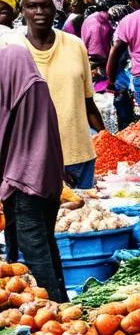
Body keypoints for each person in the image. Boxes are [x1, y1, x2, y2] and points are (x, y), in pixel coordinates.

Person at [0, 41, 68, 302]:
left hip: (21, 181)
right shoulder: (37, 86)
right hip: (46, 180)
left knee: (34, 249)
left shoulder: (15, 91)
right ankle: (61, 300)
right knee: (46, 243)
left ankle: (51, 306)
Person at [19, 0, 103, 190]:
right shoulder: (10, 48)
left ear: (56, 8)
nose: (39, 11)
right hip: (32, 160)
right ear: (22, 11)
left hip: (78, 154)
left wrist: (106, 138)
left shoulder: (75, 45)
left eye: (45, 5)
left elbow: (87, 101)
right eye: (32, 6)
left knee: (82, 220)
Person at [81, 0, 114, 70]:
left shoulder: (88, 20)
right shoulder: (107, 21)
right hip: (102, 57)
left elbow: (84, 36)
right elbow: (110, 37)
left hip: (89, 55)